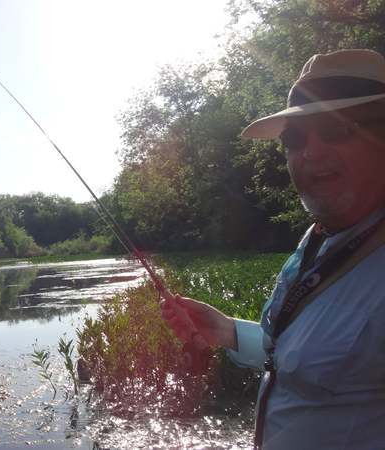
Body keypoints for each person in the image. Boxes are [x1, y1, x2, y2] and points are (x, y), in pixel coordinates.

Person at [161, 48, 385, 450]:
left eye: (336, 129)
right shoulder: (320, 237)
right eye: (294, 138)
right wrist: (228, 332)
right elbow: (301, 358)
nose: (311, 152)